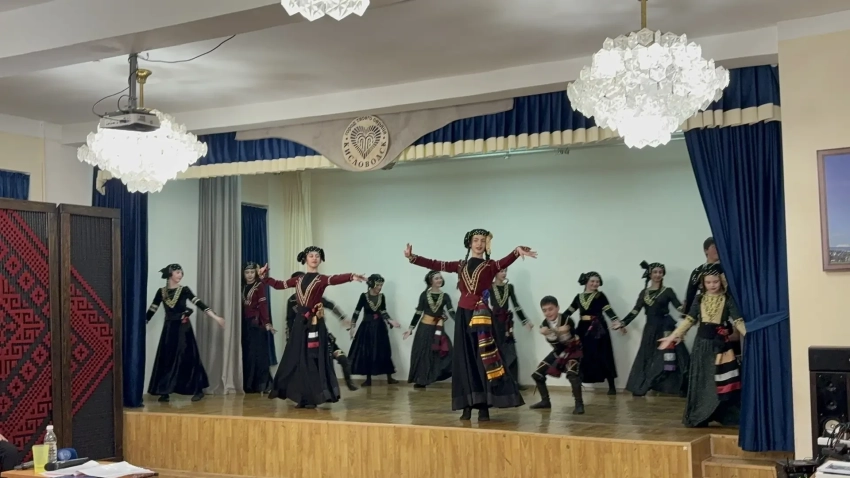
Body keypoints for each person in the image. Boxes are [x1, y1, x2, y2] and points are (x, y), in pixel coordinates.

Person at [404, 228, 536, 421]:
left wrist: (517, 251)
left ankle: (483, 407)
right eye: (476, 240)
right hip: (463, 316)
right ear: (469, 243)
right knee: (463, 360)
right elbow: (435, 263)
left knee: (483, 359)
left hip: (482, 317)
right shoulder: (460, 265)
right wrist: (412, 257)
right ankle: (466, 405)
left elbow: (505, 261)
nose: (479, 244)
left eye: (482, 240)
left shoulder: (490, 265)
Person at [259, 247, 365, 408]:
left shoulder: (321, 279)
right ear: (305, 259)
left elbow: (335, 279)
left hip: (315, 325)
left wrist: (351, 276)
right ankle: (302, 397)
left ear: (320, 260)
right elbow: (279, 284)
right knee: (297, 359)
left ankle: (313, 397)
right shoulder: (298, 280)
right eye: (311, 256)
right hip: (299, 326)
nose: (314, 258)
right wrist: (264, 277)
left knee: (312, 359)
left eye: (317, 256)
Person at [658, 263, 746, 427]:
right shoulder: (699, 299)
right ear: (703, 283)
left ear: (721, 281)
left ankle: (725, 414)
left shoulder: (727, 299)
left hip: (720, 346)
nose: (712, 285)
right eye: (708, 282)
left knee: (721, 379)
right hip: (701, 345)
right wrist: (673, 337)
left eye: (715, 282)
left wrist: (750, 336)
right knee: (701, 379)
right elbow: (689, 320)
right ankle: (700, 415)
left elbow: (738, 321)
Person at [146, 263, 224, 402]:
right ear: (170, 274)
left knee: (188, 357)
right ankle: (165, 390)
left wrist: (216, 317)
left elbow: (199, 304)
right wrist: (143, 322)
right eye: (177, 272)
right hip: (169, 329)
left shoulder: (184, 290)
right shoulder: (161, 292)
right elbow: (152, 309)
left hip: (183, 328)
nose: (180, 275)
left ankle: (198, 389)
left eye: (181, 272)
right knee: (167, 358)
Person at [616, 261, 690, 397]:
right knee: (648, 356)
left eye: (660, 272)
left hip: (666, 327)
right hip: (650, 328)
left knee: (671, 356)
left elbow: (679, 307)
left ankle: (676, 386)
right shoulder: (644, 293)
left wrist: (687, 307)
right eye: (655, 272)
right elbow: (635, 310)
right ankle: (643, 385)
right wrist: (623, 323)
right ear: (650, 274)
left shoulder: (668, 291)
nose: (658, 275)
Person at [286, 271, 359, 391]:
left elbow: (331, 305)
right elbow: (289, 321)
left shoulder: (316, 296)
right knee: (309, 366)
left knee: (342, 358)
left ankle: (348, 382)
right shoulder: (291, 301)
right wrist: (291, 340)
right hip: (304, 339)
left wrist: (342, 318)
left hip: (322, 336)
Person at [563, 272, 623, 395]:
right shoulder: (578, 297)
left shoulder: (600, 296)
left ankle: (612, 386)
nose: (595, 284)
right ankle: (577, 385)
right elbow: (568, 312)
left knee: (604, 354)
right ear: (586, 282)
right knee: (581, 356)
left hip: (598, 328)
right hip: (583, 329)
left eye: (597, 281)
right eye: (592, 281)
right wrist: (557, 321)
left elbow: (608, 310)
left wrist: (618, 322)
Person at [529, 296, 584, 414]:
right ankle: (545, 401)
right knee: (537, 375)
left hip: (572, 350)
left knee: (572, 374)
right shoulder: (544, 324)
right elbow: (557, 346)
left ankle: (579, 404)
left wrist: (557, 331)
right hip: (558, 351)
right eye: (544, 310)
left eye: (551, 309)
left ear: (557, 308)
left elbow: (570, 336)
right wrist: (549, 334)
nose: (548, 313)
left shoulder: (567, 319)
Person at [403, 270, 455, 389]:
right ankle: (421, 380)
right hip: (424, 328)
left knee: (445, 351)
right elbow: (418, 312)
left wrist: (462, 324)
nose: (439, 280)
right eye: (436, 278)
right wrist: (410, 329)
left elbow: (452, 312)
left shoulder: (445, 296)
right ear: (430, 281)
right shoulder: (424, 295)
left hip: (438, 328)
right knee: (423, 353)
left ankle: (436, 375)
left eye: (440, 278)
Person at [349, 274, 401, 386]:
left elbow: (383, 311)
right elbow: (357, 311)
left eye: (381, 285)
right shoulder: (364, 296)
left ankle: (389, 377)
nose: (380, 287)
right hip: (366, 327)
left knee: (384, 350)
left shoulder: (382, 297)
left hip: (379, 327)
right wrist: (352, 325)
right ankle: (368, 379)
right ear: (372, 284)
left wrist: (390, 320)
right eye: (378, 285)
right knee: (367, 351)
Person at [488, 269, 533, 390]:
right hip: (493, 323)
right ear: (495, 272)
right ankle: (495, 382)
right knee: (494, 351)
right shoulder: (489, 287)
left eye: (505, 271)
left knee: (510, 350)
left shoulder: (509, 287)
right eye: (501, 271)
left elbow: (516, 304)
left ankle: (513, 382)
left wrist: (524, 321)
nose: (504, 274)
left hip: (506, 323)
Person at [241, 262, 275, 394]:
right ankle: (250, 385)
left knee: (259, 354)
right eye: (247, 272)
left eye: (252, 272)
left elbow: (263, 305)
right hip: (246, 325)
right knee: (249, 354)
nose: (249, 275)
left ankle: (264, 384)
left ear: (255, 273)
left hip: (257, 324)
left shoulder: (259, 285)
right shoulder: (243, 286)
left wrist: (267, 322)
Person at [682, 237, 721, 315]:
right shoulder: (698, 271)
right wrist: (687, 314)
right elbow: (690, 295)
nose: (717, 249)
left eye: (719, 246)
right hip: (705, 311)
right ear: (706, 250)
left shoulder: (727, 270)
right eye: (714, 247)